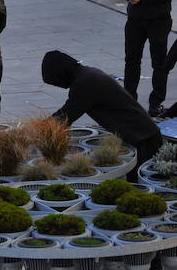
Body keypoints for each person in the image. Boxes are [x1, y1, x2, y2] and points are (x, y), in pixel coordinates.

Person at [42, 50, 162, 182]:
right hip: (142, 135)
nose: (59, 86)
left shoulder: (85, 82)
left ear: (62, 73)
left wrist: (37, 128)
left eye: (55, 82)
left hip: (144, 139)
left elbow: (66, 116)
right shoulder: (86, 74)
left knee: (138, 185)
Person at [119, 0, 177, 117]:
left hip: (158, 20)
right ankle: (129, 99)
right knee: (131, 59)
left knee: (159, 62)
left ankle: (156, 101)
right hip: (135, 18)